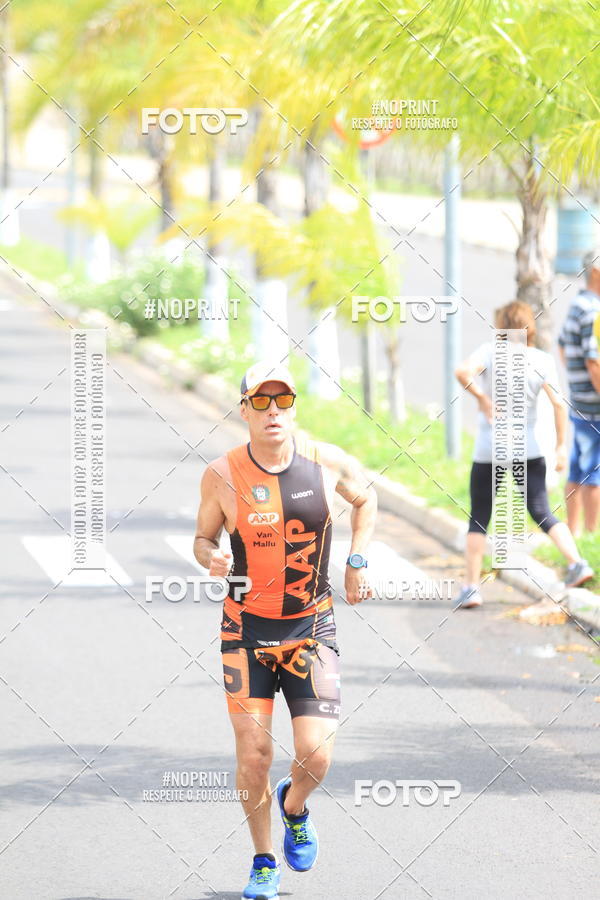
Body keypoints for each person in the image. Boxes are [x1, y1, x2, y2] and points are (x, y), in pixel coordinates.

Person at [193, 360, 377, 900]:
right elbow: (202, 539)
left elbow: (366, 499)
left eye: (283, 401)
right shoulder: (222, 474)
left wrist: (357, 560)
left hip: (311, 628)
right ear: (244, 409)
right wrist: (210, 557)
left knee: (317, 754)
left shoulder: (325, 462)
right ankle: (263, 860)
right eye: (261, 401)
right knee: (254, 754)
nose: (273, 411)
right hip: (245, 632)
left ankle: (293, 807)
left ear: (294, 408)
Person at [454, 300, 593, 610]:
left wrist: (482, 399)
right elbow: (559, 404)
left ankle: (471, 588)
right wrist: (560, 446)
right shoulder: (542, 360)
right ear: (530, 327)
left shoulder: (489, 352)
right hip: (528, 449)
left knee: (479, 516)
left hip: (489, 449)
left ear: (501, 326)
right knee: (541, 510)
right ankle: (577, 563)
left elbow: (462, 372)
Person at [557, 247, 600, 535]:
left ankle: (572, 532)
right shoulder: (593, 311)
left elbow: (562, 346)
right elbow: (593, 361)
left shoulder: (578, 304)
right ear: (596, 271)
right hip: (594, 407)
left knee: (577, 469)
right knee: (594, 474)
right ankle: (591, 534)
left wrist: (576, 382)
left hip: (580, 402)